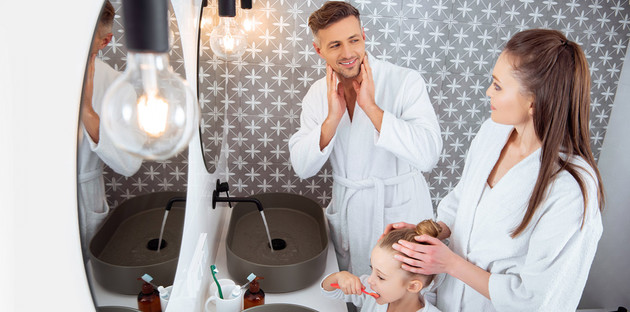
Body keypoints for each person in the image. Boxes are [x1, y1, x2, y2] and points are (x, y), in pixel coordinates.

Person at [384, 29, 605, 311]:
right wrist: (430, 232)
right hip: (451, 301)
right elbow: (464, 198)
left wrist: (449, 263)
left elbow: (538, 298)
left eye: (498, 86)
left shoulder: (571, 187)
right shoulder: (493, 132)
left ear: (534, 102)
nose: (488, 91)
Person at [288, 1, 442, 277]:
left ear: (364, 36)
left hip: (398, 213)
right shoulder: (316, 95)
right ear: (318, 50)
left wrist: (371, 108)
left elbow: (428, 155)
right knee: (356, 292)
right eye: (334, 45)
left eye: (354, 40)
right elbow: (302, 167)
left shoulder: (405, 81)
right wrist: (331, 120)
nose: (348, 53)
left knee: (402, 294)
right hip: (351, 215)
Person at [78, 0, 142, 260]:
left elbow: (129, 164)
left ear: (104, 41)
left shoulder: (117, 87)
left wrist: (87, 111)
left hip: (81, 202)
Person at [321, 220, 442, 312]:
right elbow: (330, 290)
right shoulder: (369, 290)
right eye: (371, 269)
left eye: (381, 277)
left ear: (413, 286)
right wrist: (339, 277)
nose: (370, 280)